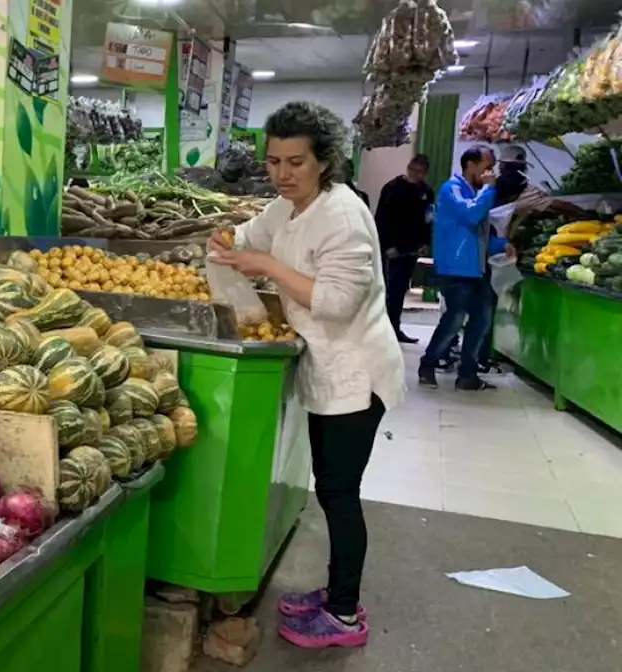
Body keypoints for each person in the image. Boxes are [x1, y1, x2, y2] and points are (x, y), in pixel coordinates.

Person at [207, 101, 405, 649]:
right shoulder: (288, 207)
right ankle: (336, 594)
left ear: (324, 161)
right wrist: (231, 240)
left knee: (341, 493)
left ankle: (344, 614)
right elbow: (254, 234)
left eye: (295, 161)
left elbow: (338, 303)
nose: (282, 174)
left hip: (356, 377)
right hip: (329, 372)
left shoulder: (341, 216)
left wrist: (266, 267)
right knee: (331, 487)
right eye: (273, 161)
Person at [417, 146, 513, 391]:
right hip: (455, 267)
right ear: (471, 164)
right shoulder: (452, 189)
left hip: (476, 267)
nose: (490, 172)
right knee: (455, 318)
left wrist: (502, 245)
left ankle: (467, 374)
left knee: (481, 319)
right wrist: (489, 188)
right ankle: (428, 363)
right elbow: (471, 216)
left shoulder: (473, 192)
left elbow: (477, 233)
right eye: (486, 165)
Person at [374, 154, 435, 343]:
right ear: (408, 168)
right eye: (413, 170)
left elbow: (428, 218)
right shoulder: (393, 189)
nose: (416, 175)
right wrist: (387, 246)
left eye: (420, 172)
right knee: (390, 289)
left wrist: (425, 242)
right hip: (393, 249)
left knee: (400, 289)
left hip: (412, 248)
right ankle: (383, 330)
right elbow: (382, 219)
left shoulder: (425, 192)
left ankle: (394, 327)